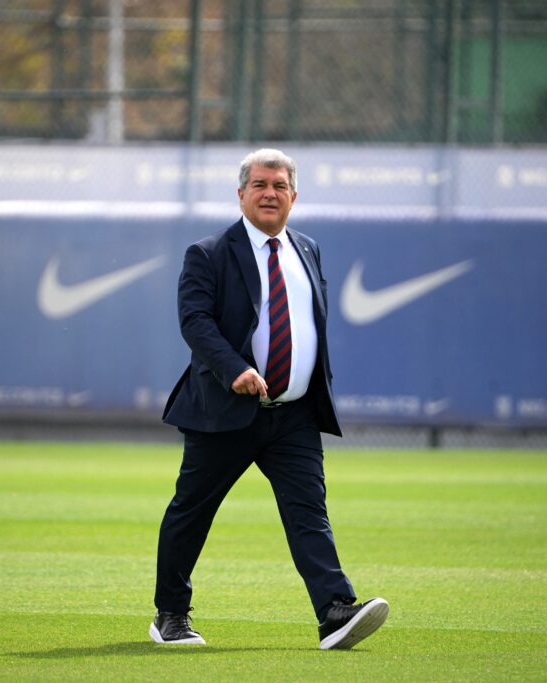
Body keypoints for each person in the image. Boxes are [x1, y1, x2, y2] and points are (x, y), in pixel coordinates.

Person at [151, 148, 389, 650]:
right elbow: (195, 322)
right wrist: (234, 368)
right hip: (224, 412)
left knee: (310, 514)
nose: (269, 193)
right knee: (191, 513)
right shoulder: (209, 253)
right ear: (241, 195)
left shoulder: (308, 248)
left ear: (293, 196)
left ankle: (334, 612)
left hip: (295, 414)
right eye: (259, 185)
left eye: (279, 186)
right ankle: (170, 614)